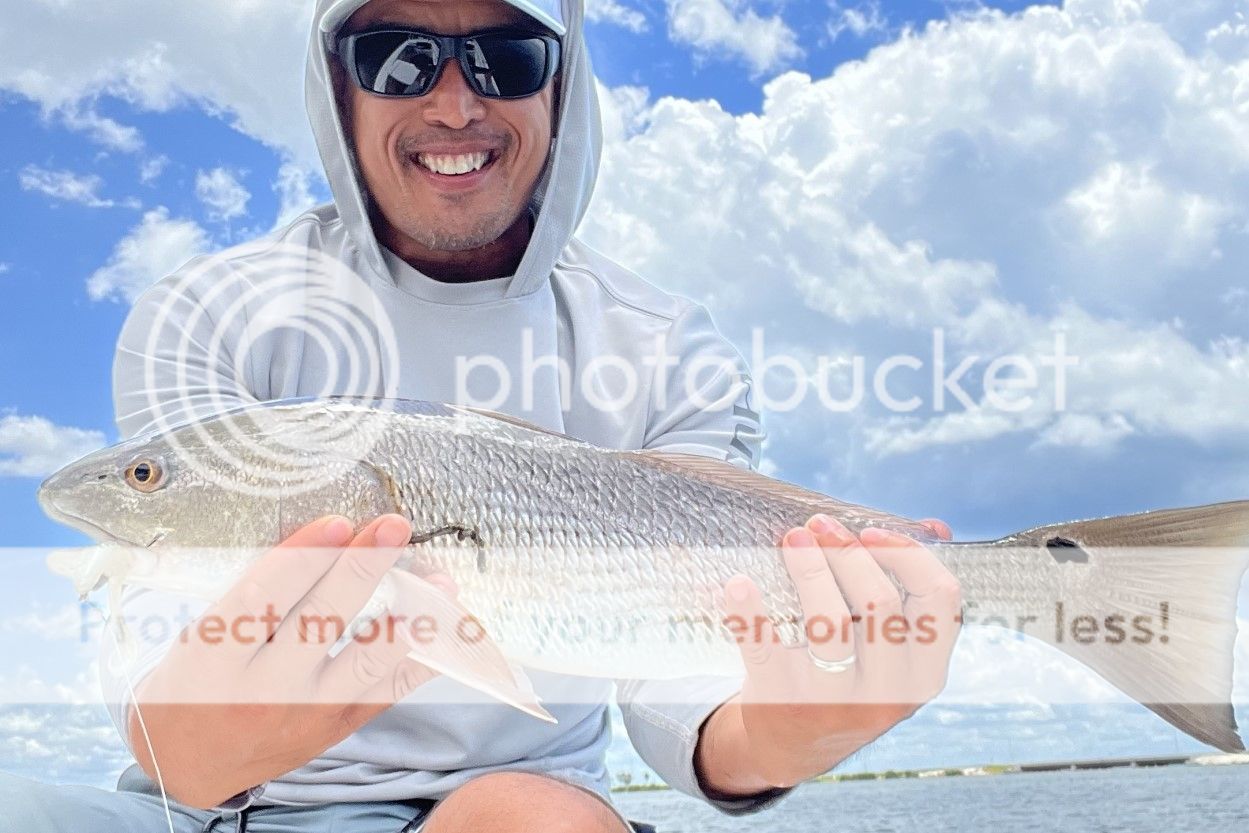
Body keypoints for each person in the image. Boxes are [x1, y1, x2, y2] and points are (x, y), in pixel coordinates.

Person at [3, 0, 962, 830]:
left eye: (507, 58)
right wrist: (192, 739)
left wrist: (790, 732)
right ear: (337, 88)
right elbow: (174, 700)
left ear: (562, 87)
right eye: (396, 58)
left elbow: (677, 675)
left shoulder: (667, 345)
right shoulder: (208, 310)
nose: (454, 104)